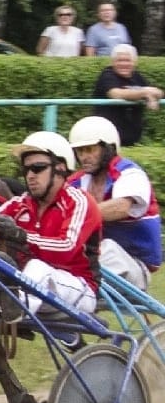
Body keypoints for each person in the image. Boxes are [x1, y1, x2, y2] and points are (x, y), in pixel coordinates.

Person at [0, 131, 100, 317]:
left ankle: (15, 307)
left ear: (61, 168)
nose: (30, 175)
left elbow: (67, 247)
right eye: (26, 170)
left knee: (37, 267)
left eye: (38, 168)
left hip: (78, 288)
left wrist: (21, 235)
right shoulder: (19, 204)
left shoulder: (79, 201)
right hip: (31, 285)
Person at [68, 115, 160, 290]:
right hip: (95, 264)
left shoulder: (130, 174)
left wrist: (71, 214)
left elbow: (120, 208)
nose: (84, 157)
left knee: (107, 248)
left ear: (108, 148)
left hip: (135, 268)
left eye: (89, 150)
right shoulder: (76, 182)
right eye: (80, 151)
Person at [89, 43, 160, 146]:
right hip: (106, 141)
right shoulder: (107, 75)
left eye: (127, 60)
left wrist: (149, 93)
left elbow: (158, 92)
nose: (124, 64)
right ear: (113, 62)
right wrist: (145, 92)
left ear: (134, 62)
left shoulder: (136, 76)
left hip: (132, 140)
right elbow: (116, 94)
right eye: (120, 60)